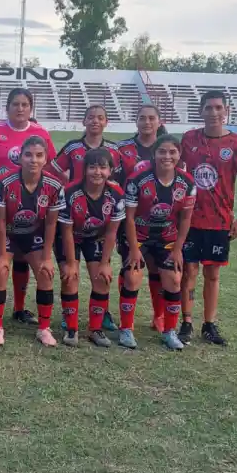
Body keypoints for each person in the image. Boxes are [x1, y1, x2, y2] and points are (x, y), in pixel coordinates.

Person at [0, 88, 57, 326]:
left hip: (30, 206)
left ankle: (20, 308)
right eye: (15, 104)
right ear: (7, 107)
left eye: (24, 104)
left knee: (23, 258)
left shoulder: (41, 133)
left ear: (31, 108)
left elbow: (48, 163)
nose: (20, 109)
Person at [179, 91, 237, 346]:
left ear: (226, 111)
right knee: (188, 271)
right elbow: (177, 172)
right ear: (201, 111)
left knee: (212, 273)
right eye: (208, 108)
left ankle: (209, 324)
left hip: (220, 220)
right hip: (190, 219)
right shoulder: (189, 139)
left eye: (218, 107)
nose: (213, 112)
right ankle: (186, 322)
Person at [0, 137, 65, 347]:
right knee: (0, 270)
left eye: (39, 155)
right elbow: (1, 220)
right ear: (19, 158)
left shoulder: (54, 185)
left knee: (45, 272)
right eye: (28, 155)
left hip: (32, 232)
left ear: (46, 159)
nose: (33, 160)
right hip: (6, 231)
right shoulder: (4, 182)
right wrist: (2, 255)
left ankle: (44, 328)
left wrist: (47, 258)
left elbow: (50, 224)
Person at [125, 134, 196, 350]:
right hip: (139, 235)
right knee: (132, 275)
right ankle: (126, 330)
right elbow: (128, 217)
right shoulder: (137, 180)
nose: (167, 156)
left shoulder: (187, 182)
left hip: (167, 237)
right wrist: (134, 249)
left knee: (174, 279)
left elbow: (185, 218)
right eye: (162, 151)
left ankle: (169, 331)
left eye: (172, 152)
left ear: (179, 154)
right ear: (154, 154)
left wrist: (177, 249)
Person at [56, 148, 127, 347]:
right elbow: (67, 231)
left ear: (110, 170)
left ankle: (95, 329)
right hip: (69, 237)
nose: (97, 172)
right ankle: (71, 328)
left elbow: (112, 232)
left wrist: (105, 263)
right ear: (84, 169)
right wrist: (71, 263)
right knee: (70, 278)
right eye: (92, 167)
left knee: (102, 280)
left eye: (103, 167)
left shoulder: (116, 194)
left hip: (95, 237)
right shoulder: (70, 192)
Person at [117, 104, 173, 332]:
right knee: (130, 265)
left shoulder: (168, 148)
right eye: (142, 118)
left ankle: (159, 315)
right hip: (130, 218)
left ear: (159, 122)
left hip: (161, 220)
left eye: (152, 118)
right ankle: (125, 321)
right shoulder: (123, 148)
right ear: (136, 121)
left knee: (157, 268)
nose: (147, 122)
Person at [52, 105, 124, 183]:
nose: (95, 121)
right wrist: (70, 185)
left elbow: (117, 176)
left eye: (100, 118)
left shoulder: (113, 149)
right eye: (91, 117)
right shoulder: (72, 147)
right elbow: (55, 169)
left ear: (106, 122)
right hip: (76, 194)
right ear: (84, 121)